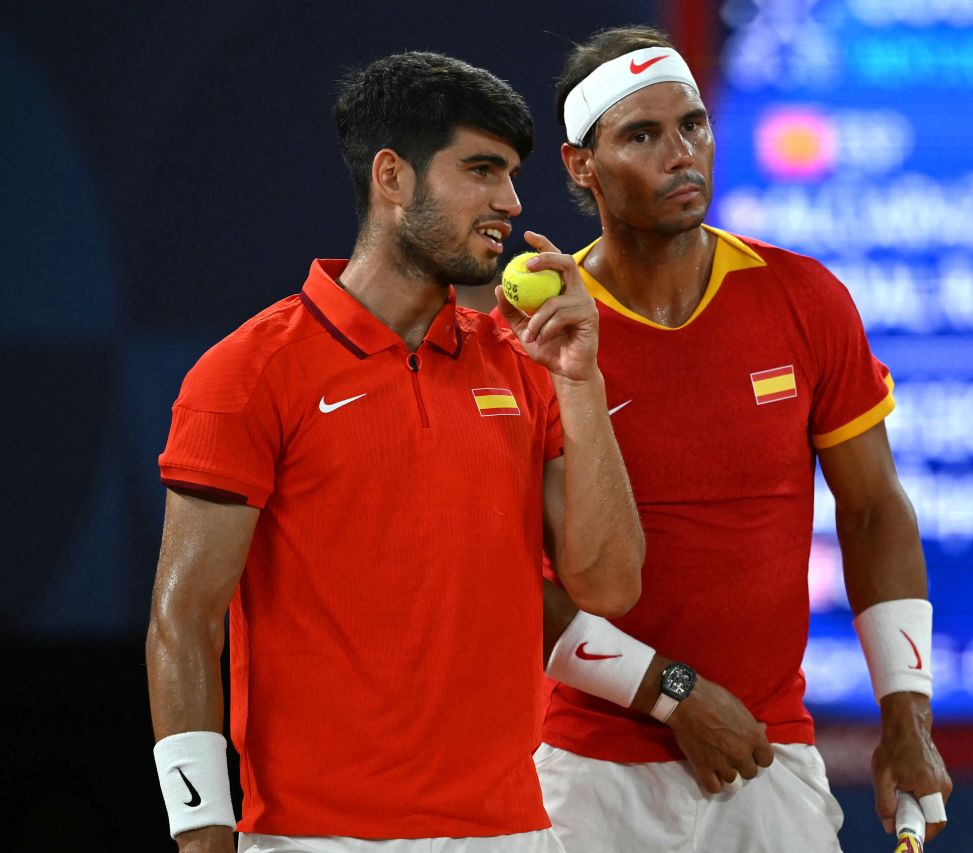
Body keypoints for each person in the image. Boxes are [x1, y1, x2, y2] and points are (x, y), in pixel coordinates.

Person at [145, 51, 645, 853]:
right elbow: (183, 615)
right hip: (314, 838)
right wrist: (201, 830)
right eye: (482, 170)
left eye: (512, 175)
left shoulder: (527, 368)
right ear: (393, 178)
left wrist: (582, 383)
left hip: (514, 832)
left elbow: (610, 584)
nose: (510, 203)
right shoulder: (246, 373)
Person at [519, 26, 953, 853]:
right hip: (588, 771)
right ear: (582, 166)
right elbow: (517, 587)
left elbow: (872, 514)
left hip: (766, 757)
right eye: (642, 135)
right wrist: (674, 697)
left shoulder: (805, 298)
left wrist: (908, 716)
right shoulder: (540, 337)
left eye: (693, 125)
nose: (681, 153)